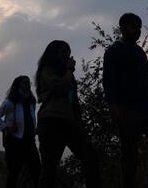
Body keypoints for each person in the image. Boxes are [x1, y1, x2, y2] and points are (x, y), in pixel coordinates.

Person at [103, 13, 148, 188]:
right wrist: (113, 106)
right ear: (123, 28)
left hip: (147, 107)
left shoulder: (139, 52)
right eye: (134, 27)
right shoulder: (113, 51)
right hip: (127, 109)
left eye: (140, 27)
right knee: (129, 155)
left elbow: (146, 81)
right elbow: (108, 81)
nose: (138, 31)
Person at [35, 40, 102, 188]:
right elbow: (60, 87)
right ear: (54, 54)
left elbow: (73, 100)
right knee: (49, 170)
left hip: (70, 123)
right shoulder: (48, 70)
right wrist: (70, 70)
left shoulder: (66, 74)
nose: (67, 55)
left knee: (91, 158)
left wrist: (79, 120)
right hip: (51, 122)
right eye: (63, 52)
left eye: (68, 52)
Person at [0, 75, 41, 188]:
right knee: (14, 172)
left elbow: (31, 118)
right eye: (25, 83)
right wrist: (5, 128)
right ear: (18, 85)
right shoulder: (10, 102)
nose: (28, 85)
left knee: (37, 171)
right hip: (14, 142)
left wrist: (35, 129)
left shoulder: (31, 101)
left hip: (29, 140)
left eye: (29, 83)